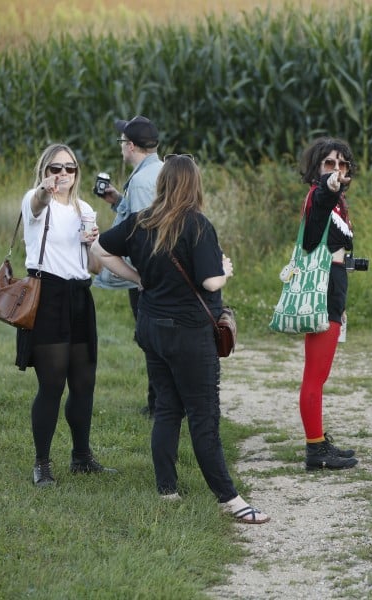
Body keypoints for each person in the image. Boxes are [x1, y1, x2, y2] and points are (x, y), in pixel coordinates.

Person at [90, 154, 269, 524]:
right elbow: (210, 282)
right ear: (194, 185)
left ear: (162, 184)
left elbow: (100, 249)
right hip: (189, 333)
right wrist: (224, 271)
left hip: (151, 327)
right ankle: (229, 499)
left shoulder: (140, 222)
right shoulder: (198, 226)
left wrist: (139, 279)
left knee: (168, 408)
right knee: (204, 415)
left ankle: (167, 490)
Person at [16, 143, 116, 487]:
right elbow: (36, 204)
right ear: (45, 171)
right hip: (48, 296)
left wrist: (91, 244)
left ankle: (82, 456)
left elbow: (94, 266)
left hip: (79, 296)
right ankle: (42, 463)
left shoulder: (85, 208)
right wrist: (44, 192)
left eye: (69, 169)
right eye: (55, 168)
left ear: (77, 173)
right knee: (52, 383)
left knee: (84, 382)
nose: (62, 175)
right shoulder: (36, 200)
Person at [295, 137, 359, 471]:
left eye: (342, 164)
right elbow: (323, 194)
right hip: (322, 289)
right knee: (314, 376)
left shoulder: (337, 205)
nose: (337, 170)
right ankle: (315, 449)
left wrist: (342, 301)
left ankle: (318, 439)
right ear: (316, 168)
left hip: (333, 287)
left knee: (319, 374)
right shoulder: (321, 198)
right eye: (329, 163)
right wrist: (330, 186)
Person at [93, 115, 163, 417]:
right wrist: (116, 200)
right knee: (153, 338)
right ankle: (160, 402)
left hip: (146, 275)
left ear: (131, 145)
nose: (121, 145)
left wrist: (136, 274)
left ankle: (159, 405)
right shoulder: (157, 170)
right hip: (152, 273)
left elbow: (143, 232)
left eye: (123, 141)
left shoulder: (144, 182)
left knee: (151, 339)